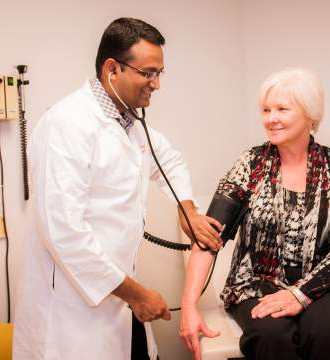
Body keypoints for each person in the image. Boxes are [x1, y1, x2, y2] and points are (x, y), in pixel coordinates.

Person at [13, 18, 222, 360]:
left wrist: (187, 209)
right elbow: (64, 233)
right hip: (71, 312)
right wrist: (137, 294)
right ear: (113, 68)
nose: (156, 84)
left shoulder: (129, 121)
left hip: (117, 297)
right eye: (148, 72)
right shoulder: (67, 124)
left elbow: (169, 160)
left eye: (159, 73)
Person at [179, 68, 330, 360]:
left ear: (310, 115)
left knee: (329, 332)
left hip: (322, 282)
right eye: (266, 109)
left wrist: (299, 294)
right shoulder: (251, 164)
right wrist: (188, 307)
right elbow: (208, 236)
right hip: (255, 283)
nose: (270, 118)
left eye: (282, 109)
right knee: (272, 337)